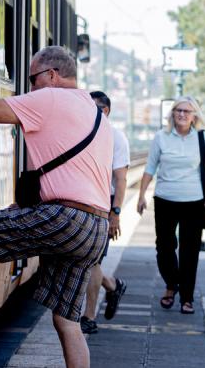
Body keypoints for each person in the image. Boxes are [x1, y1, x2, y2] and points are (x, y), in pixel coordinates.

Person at [0, 46, 113, 368]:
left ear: (51, 76)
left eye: (32, 80)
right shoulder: (94, 112)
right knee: (67, 322)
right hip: (95, 228)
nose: (30, 89)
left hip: (67, 219)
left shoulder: (50, 97)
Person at [137, 96, 205, 315]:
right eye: (178, 110)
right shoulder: (161, 137)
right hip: (164, 199)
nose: (182, 114)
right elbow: (150, 167)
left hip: (194, 201)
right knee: (164, 248)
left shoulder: (201, 138)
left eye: (187, 111)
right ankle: (172, 284)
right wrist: (142, 195)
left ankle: (186, 297)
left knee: (189, 251)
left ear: (194, 117)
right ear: (172, 113)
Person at [80, 91, 129, 334]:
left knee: (92, 260)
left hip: (104, 202)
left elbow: (120, 180)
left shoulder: (116, 137)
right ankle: (112, 285)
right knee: (88, 259)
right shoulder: (81, 130)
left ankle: (89, 317)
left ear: (105, 111)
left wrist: (115, 213)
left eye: (95, 107)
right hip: (83, 198)